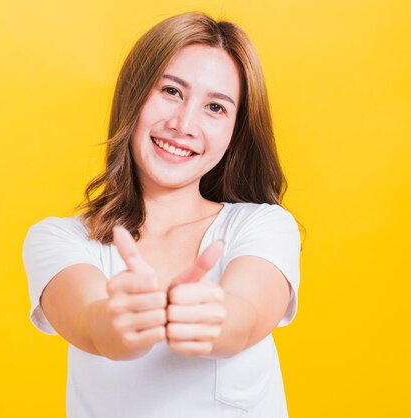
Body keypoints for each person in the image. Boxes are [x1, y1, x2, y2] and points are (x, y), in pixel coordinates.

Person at [23, 11, 301, 417]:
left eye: (216, 108)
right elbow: (91, 324)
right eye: (171, 91)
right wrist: (118, 322)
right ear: (133, 95)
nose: (184, 123)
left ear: (234, 132)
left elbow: (246, 316)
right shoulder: (60, 240)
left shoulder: (262, 226)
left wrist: (214, 317)